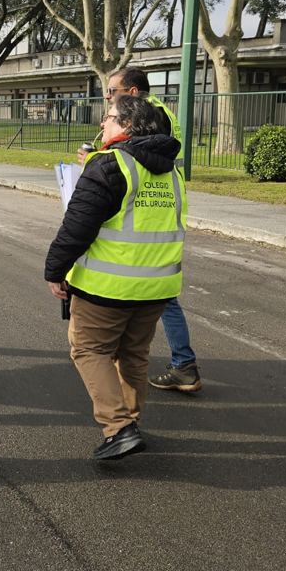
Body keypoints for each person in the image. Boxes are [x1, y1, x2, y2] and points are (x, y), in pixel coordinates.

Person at [47, 94, 185, 460]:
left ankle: (119, 427)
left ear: (128, 125)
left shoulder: (110, 165)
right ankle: (130, 421)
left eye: (108, 118)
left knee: (89, 349)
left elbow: (76, 228)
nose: (102, 125)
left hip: (107, 287)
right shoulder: (172, 171)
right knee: (134, 354)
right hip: (158, 286)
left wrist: (54, 270)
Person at [77, 67, 202, 393]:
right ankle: (179, 364)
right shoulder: (161, 111)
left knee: (156, 295)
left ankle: (181, 364)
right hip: (159, 209)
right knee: (160, 294)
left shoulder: (148, 114)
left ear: (132, 93)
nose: (108, 97)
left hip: (142, 210)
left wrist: (98, 161)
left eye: (112, 91)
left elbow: (135, 155)